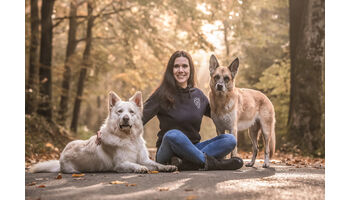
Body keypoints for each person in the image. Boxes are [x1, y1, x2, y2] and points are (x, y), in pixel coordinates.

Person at [97, 50, 243, 171]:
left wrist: (238, 100)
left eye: (185, 66)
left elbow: (220, 115)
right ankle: (214, 164)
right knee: (173, 134)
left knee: (229, 139)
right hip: (167, 150)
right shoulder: (161, 94)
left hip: (194, 147)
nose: (181, 70)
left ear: (190, 70)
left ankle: (188, 163)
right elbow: (137, 117)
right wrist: (106, 132)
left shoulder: (199, 95)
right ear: (171, 70)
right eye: (176, 66)